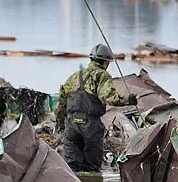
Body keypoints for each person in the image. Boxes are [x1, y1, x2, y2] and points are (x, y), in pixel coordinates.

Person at [56, 43, 136, 172]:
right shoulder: (101, 75)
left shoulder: (74, 76)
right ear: (105, 63)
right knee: (92, 167)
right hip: (90, 125)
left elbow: (62, 103)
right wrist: (128, 100)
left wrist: (60, 123)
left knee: (71, 167)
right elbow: (108, 97)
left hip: (71, 124)